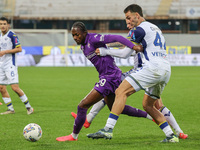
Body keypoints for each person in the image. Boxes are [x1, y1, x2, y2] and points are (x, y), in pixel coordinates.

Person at [87, 4, 180, 142]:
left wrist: (105, 51)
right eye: (126, 19)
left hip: (152, 68)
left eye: (129, 18)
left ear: (137, 15)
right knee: (148, 105)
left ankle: (108, 129)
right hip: (166, 70)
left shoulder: (138, 30)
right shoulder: (155, 27)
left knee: (120, 92)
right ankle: (171, 135)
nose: (128, 22)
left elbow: (125, 53)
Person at [56, 21, 148, 142]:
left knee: (82, 106)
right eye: (73, 35)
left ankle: (74, 136)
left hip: (110, 77)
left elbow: (117, 37)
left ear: (84, 33)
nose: (75, 37)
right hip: (108, 77)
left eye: (77, 34)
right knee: (115, 107)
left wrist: (133, 46)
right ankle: (150, 116)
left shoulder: (93, 39)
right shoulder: (83, 45)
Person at [0, 16, 34, 115]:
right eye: (1, 24)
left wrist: (5, 51)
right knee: (1, 88)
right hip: (1, 65)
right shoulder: (0, 36)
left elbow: (19, 49)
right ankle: (10, 109)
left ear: (8, 25)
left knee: (15, 88)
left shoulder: (12, 35)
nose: (2, 26)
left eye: (4, 24)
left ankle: (29, 107)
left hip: (10, 64)